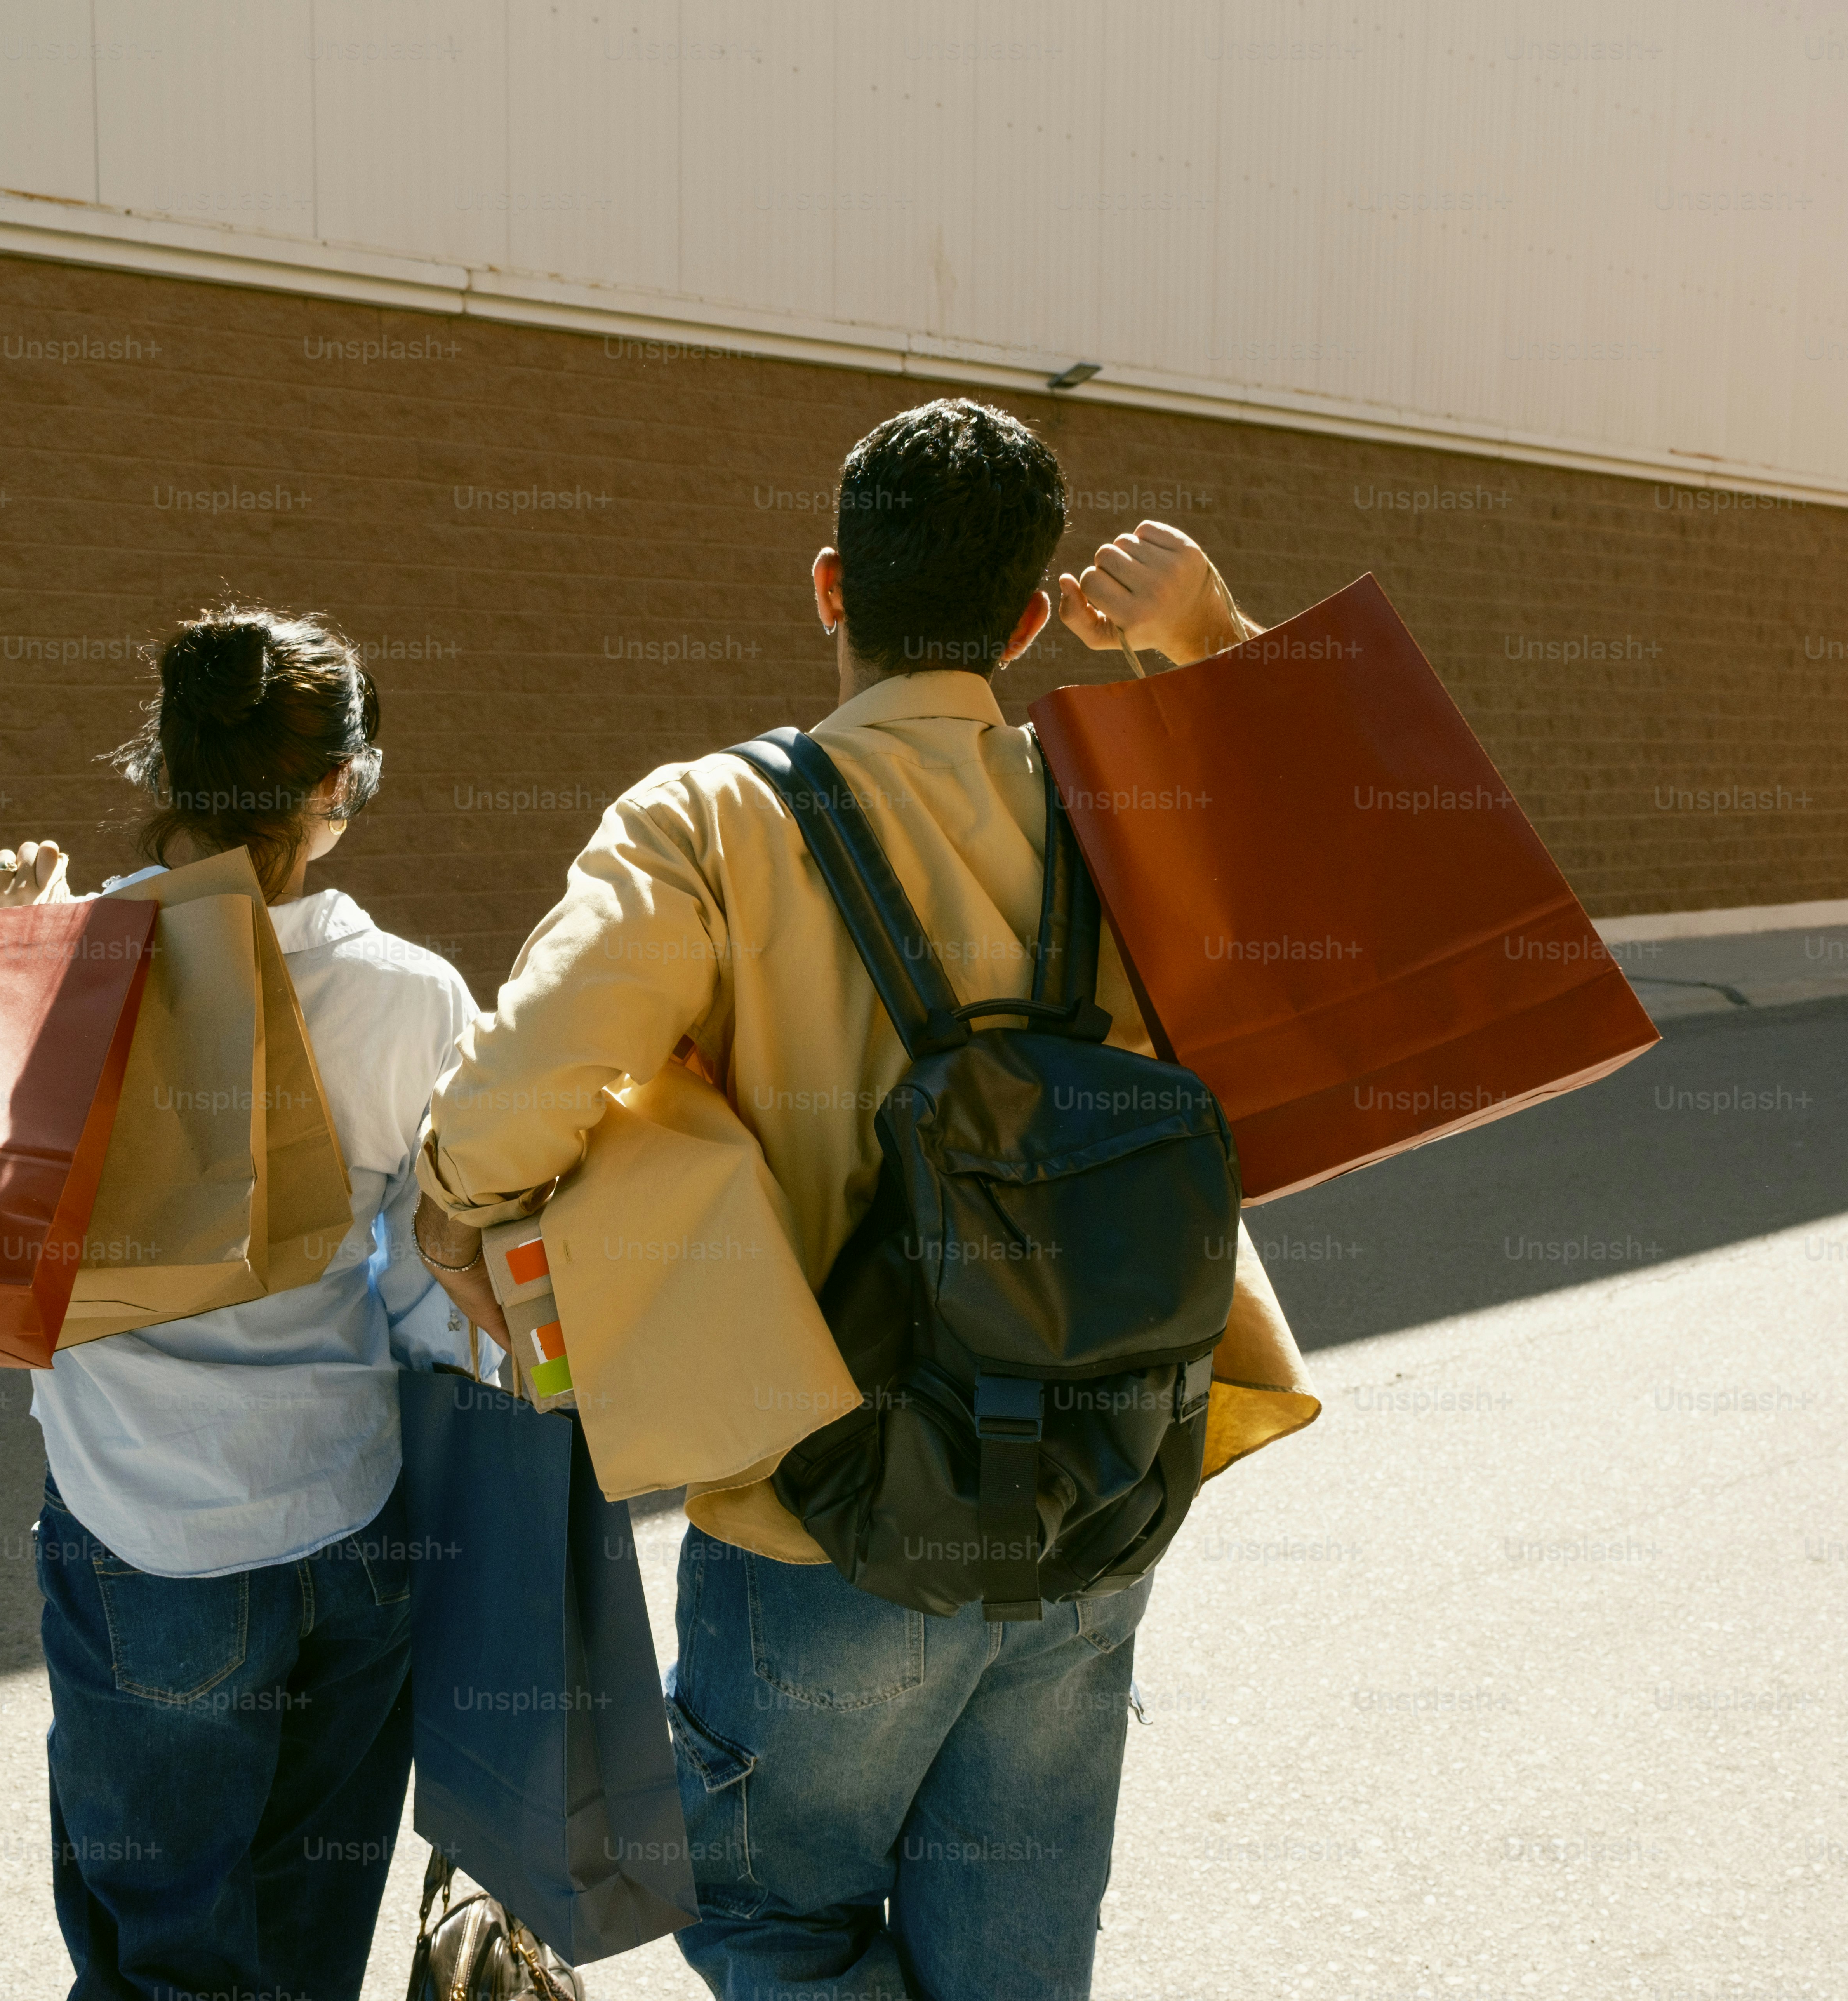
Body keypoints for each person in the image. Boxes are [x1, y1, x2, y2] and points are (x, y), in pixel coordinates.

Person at [408, 399, 1264, 2001]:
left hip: (834, 1508)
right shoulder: (1126, 802)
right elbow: (1379, 897)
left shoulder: (711, 822)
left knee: (758, 1908)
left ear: (828, 588)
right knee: (1015, 1969)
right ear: (1027, 619)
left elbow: (530, 1077)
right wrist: (1207, 635)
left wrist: (454, 1196)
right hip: (1104, 1479)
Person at [0, 607, 477, 2001]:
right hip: (353, 1524)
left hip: (147, 1537)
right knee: (308, 1950)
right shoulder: (408, 996)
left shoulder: (55, 958)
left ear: (163, 772)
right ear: (335, 789)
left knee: (161, 1957)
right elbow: (445, 1305)